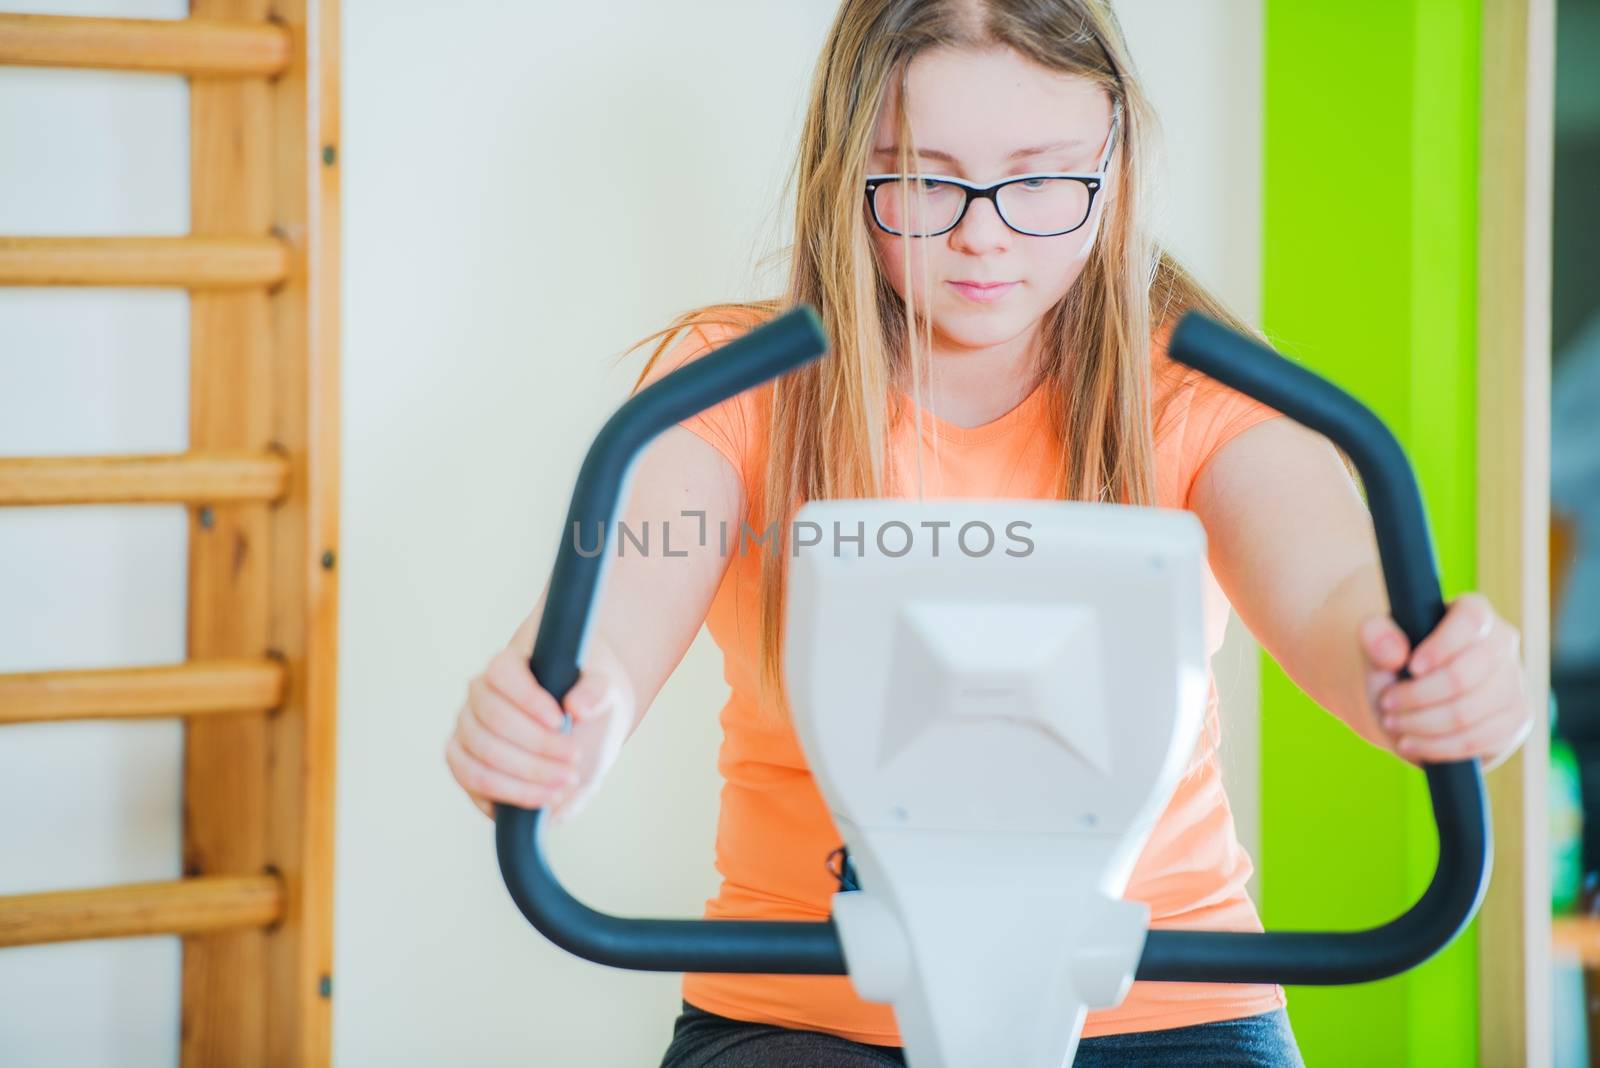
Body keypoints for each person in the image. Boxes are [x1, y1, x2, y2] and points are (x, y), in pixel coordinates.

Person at [445, 1, 1532, 1064]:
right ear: (844, 167)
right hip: (805, 1009)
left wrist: (1423, 676)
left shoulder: (1198, 394)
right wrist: (557, 723)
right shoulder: (732, 389)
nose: (982, 230)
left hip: (1163, 1006)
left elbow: (1338, 594)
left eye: (1040, 178)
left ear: (1113, 161)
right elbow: (613, 616)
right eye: (922, 179)